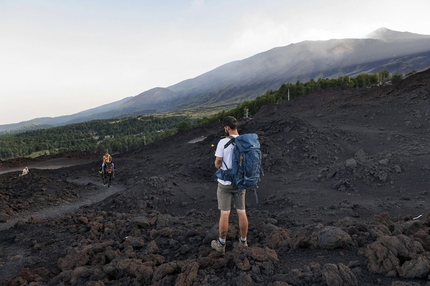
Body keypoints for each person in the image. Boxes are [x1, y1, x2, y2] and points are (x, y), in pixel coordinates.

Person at [211, 116, 248, 254]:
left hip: (225, 184)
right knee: (241, 211)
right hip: (240, 182)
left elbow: (217, 163)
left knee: (225, 214)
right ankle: (243, 242)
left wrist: (219, 165)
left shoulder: (222, 142)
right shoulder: (244, 141)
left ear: (227, 127)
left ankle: (221, 245)